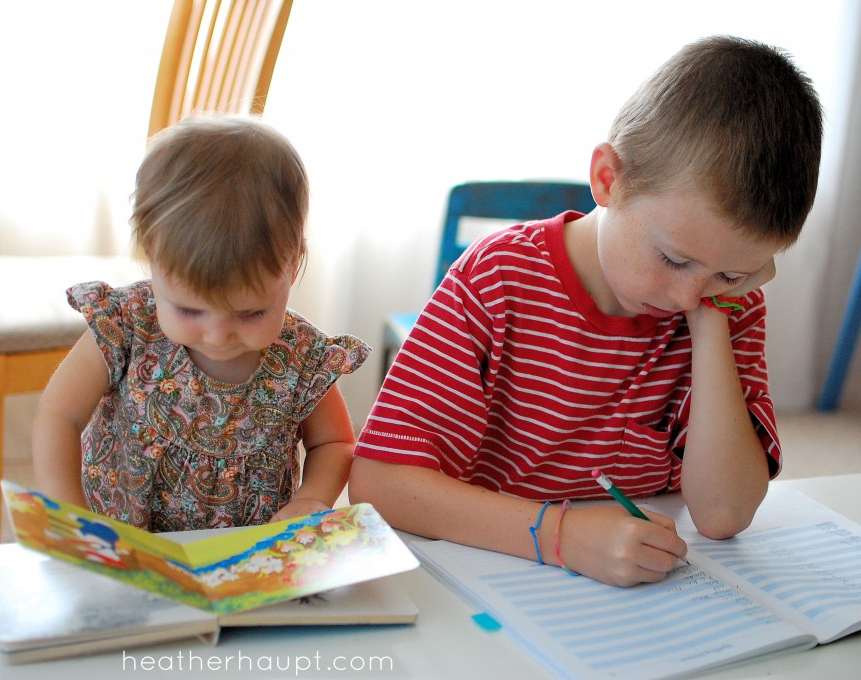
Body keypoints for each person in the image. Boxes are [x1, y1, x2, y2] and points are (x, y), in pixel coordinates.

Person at [349, 35, 823, 586]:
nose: (688, 297)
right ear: (606, 178)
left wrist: (713, 322)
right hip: (493, 580)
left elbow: (723, 514)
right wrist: (561, 535)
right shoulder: (497, 277)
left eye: (731, 274)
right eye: (673, 259)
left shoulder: (721, 307)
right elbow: (379, 484)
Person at [33, 114, 370, 531]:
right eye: (190, 310)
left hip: (244, 554)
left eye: (250, 313)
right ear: (152, 260)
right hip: (124, 545)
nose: (218, 334)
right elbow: (59, 415)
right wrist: (68, 511)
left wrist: (313, 497)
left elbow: (334, 442)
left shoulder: (300, 356)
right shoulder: (128, 324)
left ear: (293, 265)